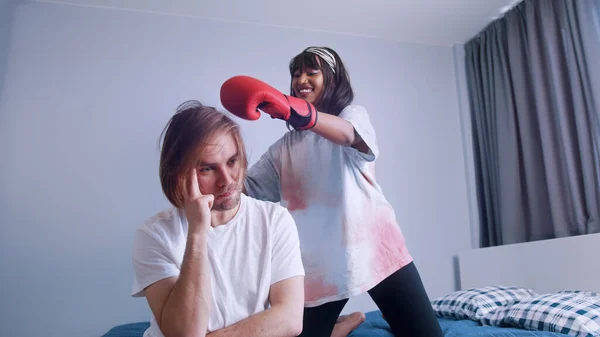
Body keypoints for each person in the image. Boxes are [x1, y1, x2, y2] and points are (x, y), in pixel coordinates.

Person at [220, 46, 444, 337]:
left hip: (377, 251)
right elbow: (245, 190)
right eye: (296, 74)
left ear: (333, 79)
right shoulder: (284, 149)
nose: (301, 79)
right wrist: (215, 165)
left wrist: (298, 113)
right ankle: (343, 325)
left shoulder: (352, 116)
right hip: (320, 268)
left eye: (312, 72)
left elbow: (350, 135)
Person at [130, 101, 305, 337]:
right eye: (208, 169)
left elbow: (290, 319)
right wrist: (198, 232)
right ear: (179, 174)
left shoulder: (275, 220)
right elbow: (184, 333)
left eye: (232, 161)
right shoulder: (154, 235)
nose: (227, 180)